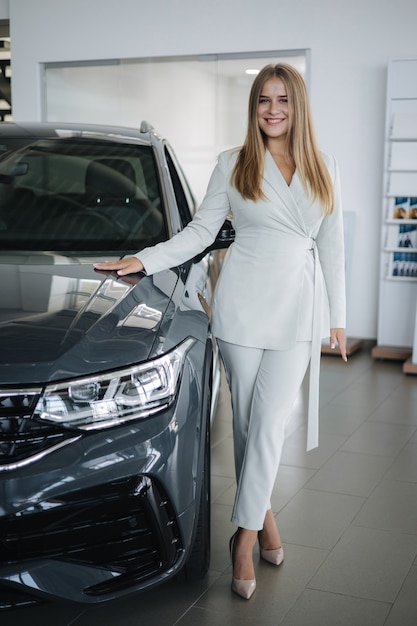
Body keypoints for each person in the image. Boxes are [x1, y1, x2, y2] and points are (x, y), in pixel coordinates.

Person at [95, 63, 347, 600]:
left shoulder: (324, 167)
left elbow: (333, 249)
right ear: (253, 107)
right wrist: (141, 260)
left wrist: (338, 318)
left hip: (297, 310)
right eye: (263, 101)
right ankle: (265, 524)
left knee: (269, 425)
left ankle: (243, 536)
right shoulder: (233, 164)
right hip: (241, 310)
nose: (273, 110)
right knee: (248, 425)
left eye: (283, 100)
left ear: (298, 107)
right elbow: (200, 233)